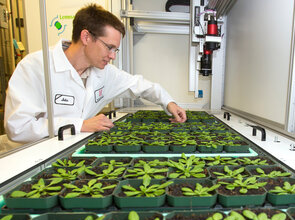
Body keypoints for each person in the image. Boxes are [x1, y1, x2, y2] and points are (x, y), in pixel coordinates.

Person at [4, 3, 187, 144]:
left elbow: (139, 85)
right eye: (109, 47)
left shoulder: (104, 72)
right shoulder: (36, 66)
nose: (112, 56)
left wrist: (168, 102)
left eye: (116, 50)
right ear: (86, 37)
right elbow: (17, 127)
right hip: (37, 159)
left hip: (77, 150)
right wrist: (80, 125)